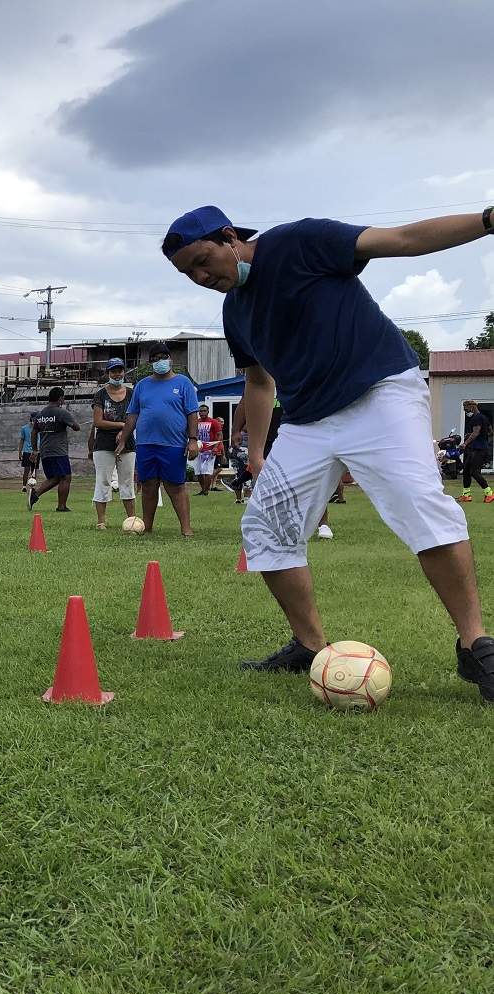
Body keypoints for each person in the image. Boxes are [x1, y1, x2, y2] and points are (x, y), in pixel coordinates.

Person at [163, 202, 494, 697]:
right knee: (264, 526)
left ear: (229, 236)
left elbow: (402, 239)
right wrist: (257, 452)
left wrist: (487, 220)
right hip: (306, 421)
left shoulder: (299, 242)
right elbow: (258, 382)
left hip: (379, 392)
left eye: (202, 260)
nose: (200, 276)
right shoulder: (236, 312)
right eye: (188, 273)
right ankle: (310, 645)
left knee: (421, 506)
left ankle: (475, 646)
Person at [116, 343, 197, 536]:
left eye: (163, 357)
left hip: (174, 443)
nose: (159, 362)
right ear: (150, 363)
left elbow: (192, 413)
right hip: (146, 443)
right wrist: (122, 440)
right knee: (149, 485)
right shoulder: (143, 385)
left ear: (170, 360)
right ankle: (147, 527)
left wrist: (192, 439)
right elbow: (132, 415)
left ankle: (186, 529)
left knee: (175, 486)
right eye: (155, 359)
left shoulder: (183, 383)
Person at [90, 360, 136, 528]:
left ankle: (132, 520)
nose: (117, 374)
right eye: (113, 371)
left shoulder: (132, 394)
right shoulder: (100, 395)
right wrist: (122, 426)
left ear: (124, 372)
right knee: (103, 481)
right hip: (103, 443)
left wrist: (125, 433)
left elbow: (136, 417)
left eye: (120, 371)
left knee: (127, 481)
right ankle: (101, 521)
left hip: (128, 443)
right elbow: (98, 422)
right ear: (108, 374)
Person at [27, 387, 80, 512]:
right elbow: (76, 427)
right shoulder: (61, 412)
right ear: (60, 398)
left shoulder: (41, 414)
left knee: (55, 478)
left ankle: (34, 495)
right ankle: (61, 507)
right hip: (58, 450)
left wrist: (34, 449)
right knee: (66, 477)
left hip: (45, 451)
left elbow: (34, 433)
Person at [459, 398, 493, 503]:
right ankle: (466, 495)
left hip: (480, 449)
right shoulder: (484, 418)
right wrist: (481, 436)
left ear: (472, 407)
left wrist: (465, 443)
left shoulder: (477, 418)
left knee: (474, 471)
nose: (466, 412)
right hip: (479, 448)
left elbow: (476, 432)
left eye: (466, 410)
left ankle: (489, 493)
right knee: (466, 470)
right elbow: (491, 432)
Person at [194, 403, 224, 495]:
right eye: (201, 411)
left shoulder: (213, 422)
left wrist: (215, 447)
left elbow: (219, 434)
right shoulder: (196, 422)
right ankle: (203, 489)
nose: (202, 413)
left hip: (209, 449)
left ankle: (205, 490)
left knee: (208, 471)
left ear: (208, 412)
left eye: (204, 411)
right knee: (198, 471)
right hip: (198, 449)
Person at [18, 412, 38, 487]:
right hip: (27, 451)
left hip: (36, 451)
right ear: (31, 418)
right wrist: (20, 452)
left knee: (34, 469)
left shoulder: (39, 428)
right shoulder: (24, 428)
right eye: (34, 418)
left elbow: (40, 439)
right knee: (26, 468)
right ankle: (24, 486)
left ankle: (33, 485)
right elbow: (22, 440)